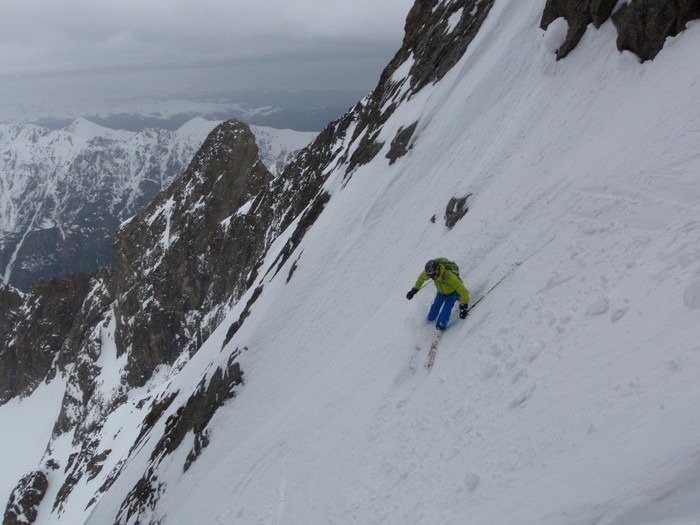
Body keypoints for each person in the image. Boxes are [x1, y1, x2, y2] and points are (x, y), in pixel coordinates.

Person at [406, 258, 469, 330]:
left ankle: (441, 326)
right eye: (431, 277)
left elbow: (463, 290)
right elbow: (421, 278)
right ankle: (430, 320)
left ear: (437, 270)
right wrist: (414, 290)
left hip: (452, 294)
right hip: (441, 293)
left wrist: (463, 306)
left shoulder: (449, 276)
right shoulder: (430, 272)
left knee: (445, 311)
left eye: (433, 276)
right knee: (435, 307)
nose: (432, 278)